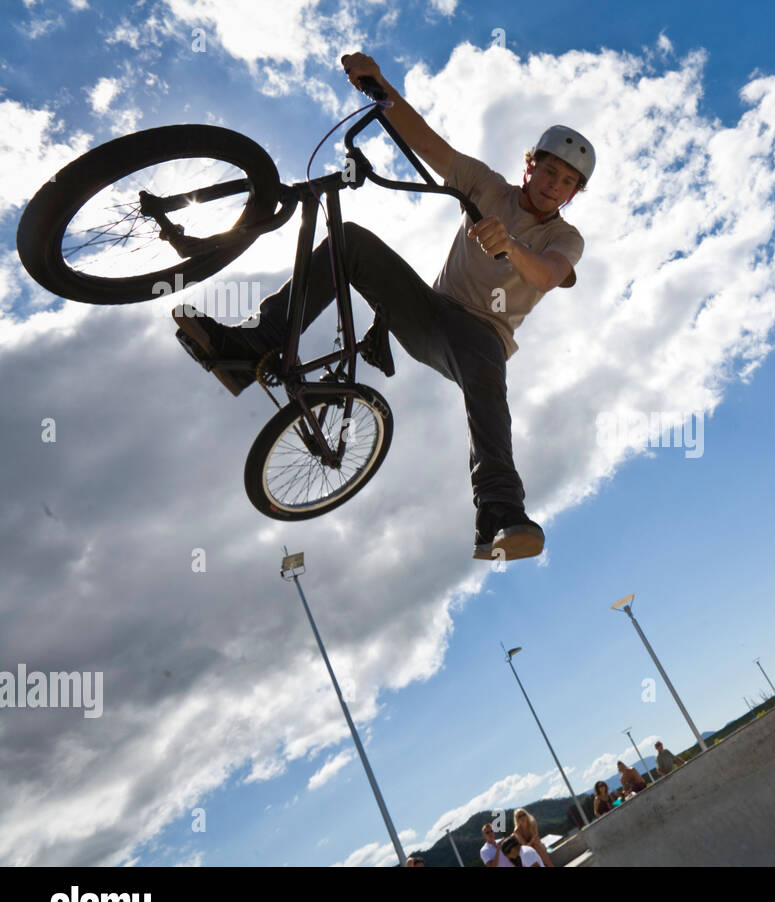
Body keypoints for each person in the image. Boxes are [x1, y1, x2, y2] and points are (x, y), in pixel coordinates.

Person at [173, 51, 594, 563]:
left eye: (566, 181)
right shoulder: (486, 186)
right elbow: (426, 143)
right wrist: (378, 85)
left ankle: (500, 514)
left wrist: (511, 247)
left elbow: (548, 274)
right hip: (428, 313)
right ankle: (253, 345)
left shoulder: (564, 236)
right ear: (529, 166)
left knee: (485, 371)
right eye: (548, 170)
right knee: (348, 240)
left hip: (479, 338)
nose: (554, 184)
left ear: (573, 194)